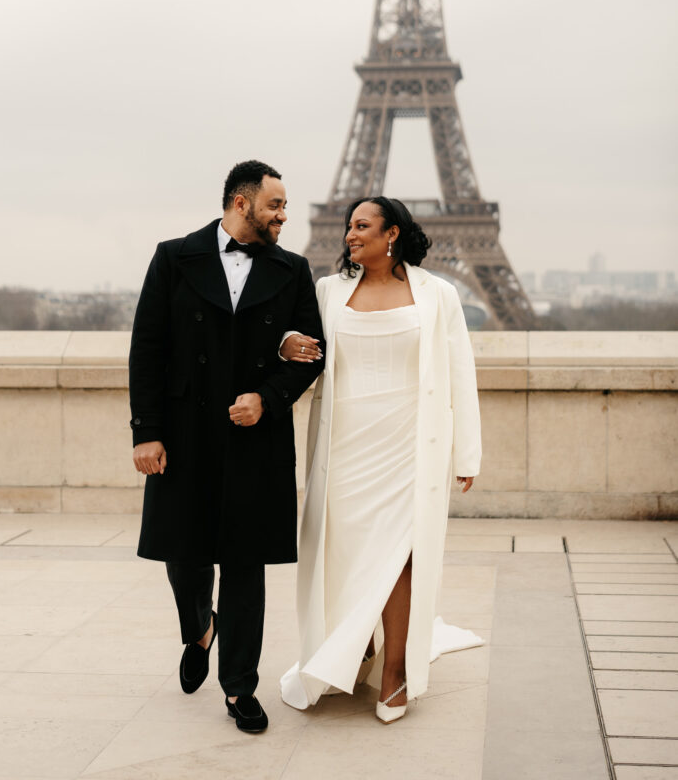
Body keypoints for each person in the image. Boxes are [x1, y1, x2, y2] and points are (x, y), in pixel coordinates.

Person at [129, 160, 324, 734]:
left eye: (284, 206)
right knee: (183, 558)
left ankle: (240, 688)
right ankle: (199, 629)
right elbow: (148, 348)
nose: (284, 215)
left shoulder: (293, 270)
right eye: (276, 205)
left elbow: (315, 354)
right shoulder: (173, 257)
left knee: (244, 569)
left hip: (253, 438)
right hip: (185, 436)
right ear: (242, 203)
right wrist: (147, 431)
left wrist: (267, 397)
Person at [280, 196, 482, 723]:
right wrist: (286, 347)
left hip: (409, 445)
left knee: (400, 561)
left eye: (362, 225)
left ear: (392, 233)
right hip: (345, 445)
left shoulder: (439, 294)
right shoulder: (327, 291)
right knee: (344, 554)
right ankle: (356, 646)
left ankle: (395, 672)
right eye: (348, 225)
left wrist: (467, 452)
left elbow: (461, 372)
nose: (350, 233)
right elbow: (297, 350)